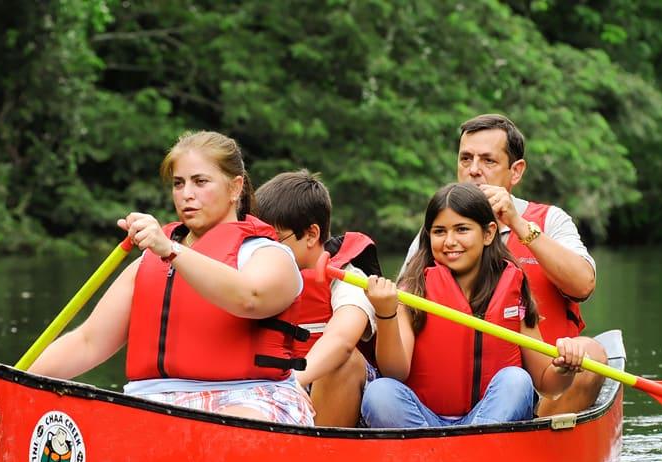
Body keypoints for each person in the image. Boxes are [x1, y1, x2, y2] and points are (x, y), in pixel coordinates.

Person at [28, 131, 315, 426]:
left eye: (200, 182)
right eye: (179, 183)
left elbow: (250, 298)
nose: (186, 194)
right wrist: (10, 381)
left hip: (247, 399)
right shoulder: (148, 264)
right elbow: (88, 342)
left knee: (215, 427)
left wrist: (170, 251)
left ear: (235, 188)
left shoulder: (268, 255)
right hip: (152, 403)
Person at [406, 114, 608, 417]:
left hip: (546, 384)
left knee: (592, 352)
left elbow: (583, 284)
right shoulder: (438, 235)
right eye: (465, 159)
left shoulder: (550, 220)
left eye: (488, 161)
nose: (473, 170)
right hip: (458, 392)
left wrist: (516, 222)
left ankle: (537, 435)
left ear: (516, 172)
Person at [362, 182, 585, 428]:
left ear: (488, 233)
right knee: (379, 392)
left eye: (462, 229)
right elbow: (395, 372)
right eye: (439, 231)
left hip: (489, 420)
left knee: (517, 380)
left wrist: (564, 368)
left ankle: (467, 448)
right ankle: (445, 451)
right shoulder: (412, 291)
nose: (449, 241)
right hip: (424, 425)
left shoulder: (513, 289)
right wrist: (385, 314)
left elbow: (546, 384)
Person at [252, 169, 382, 427]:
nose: (262, 250)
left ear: (311, 234)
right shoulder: (254, 276)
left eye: (274, 240)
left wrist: (291, 383)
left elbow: (342, 339)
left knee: (344, 362)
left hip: (322, 384)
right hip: (270, 386)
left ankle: (323, 456)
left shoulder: (348, 277)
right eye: (257, 240)